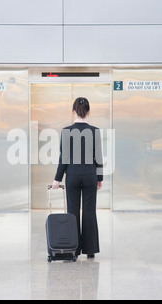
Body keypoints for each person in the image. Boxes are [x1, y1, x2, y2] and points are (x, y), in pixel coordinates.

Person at [52, 97, 103, 259]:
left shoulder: (66, 131)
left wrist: (57, 179)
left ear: (73, 111)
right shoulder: (95, 131)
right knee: (89, 212)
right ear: (88, 112)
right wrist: (99, 177)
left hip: (72, 176)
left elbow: (64, 158)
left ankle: (73, 250)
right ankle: (90, 250)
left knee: (72, 212)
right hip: (90, 176)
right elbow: (99, 157)